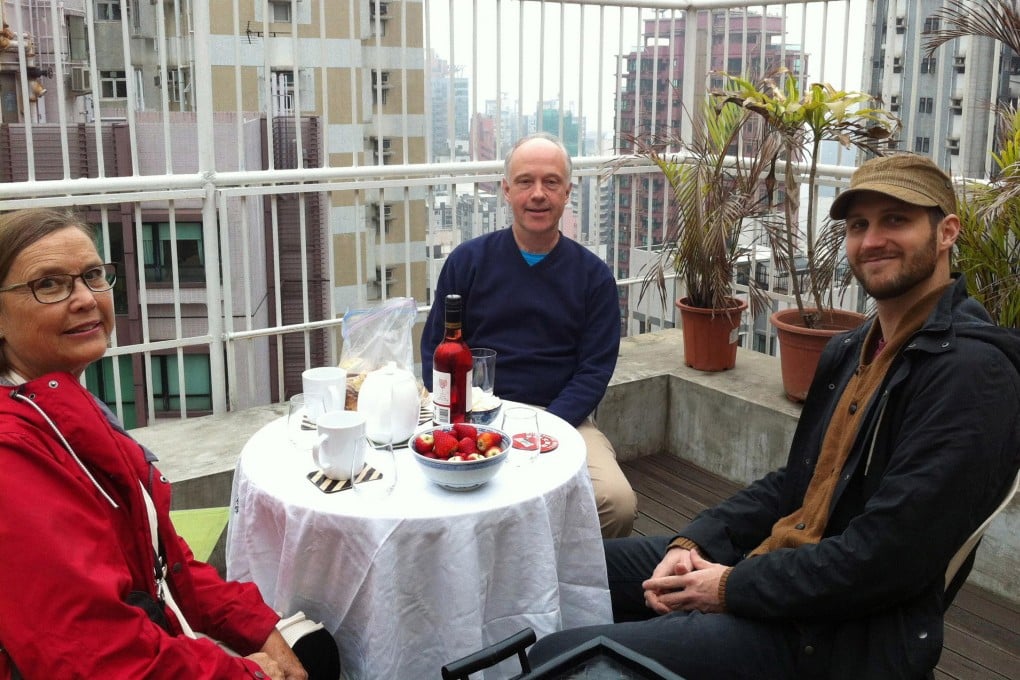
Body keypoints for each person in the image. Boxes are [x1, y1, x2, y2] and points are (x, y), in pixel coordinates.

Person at [527, 154, 1020, 678]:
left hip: (832, 634)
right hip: (772, 569)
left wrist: (726, 587)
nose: (872, 239)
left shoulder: (970, 373)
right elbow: (797, 482)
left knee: (557, 658)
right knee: (559, 566)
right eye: (859, 225)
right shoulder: (855, 347)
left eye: (896, 220)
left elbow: (886, 558)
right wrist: (695, 541)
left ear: (947, 232)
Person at [0, 208, 333, 679]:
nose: (85, 299)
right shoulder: (14, 453)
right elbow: (97, 657)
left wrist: (259, 628)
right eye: (49, 285)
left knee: (315, 649)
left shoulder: (61, 405)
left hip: (163, 639)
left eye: (93, 275)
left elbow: (164, 561)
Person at [421, 132, 637, 538]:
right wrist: (459, 416)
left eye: (551, 182)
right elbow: (435, 347)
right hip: (472, 415)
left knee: (616, 504)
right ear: (506, 190)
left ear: (567, 192)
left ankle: (571, 589)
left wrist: (548, 426)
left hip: (561, 418)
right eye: (525, 182)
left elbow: (594, 370)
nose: (538, 194)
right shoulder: (467, 262)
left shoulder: (593, 277)